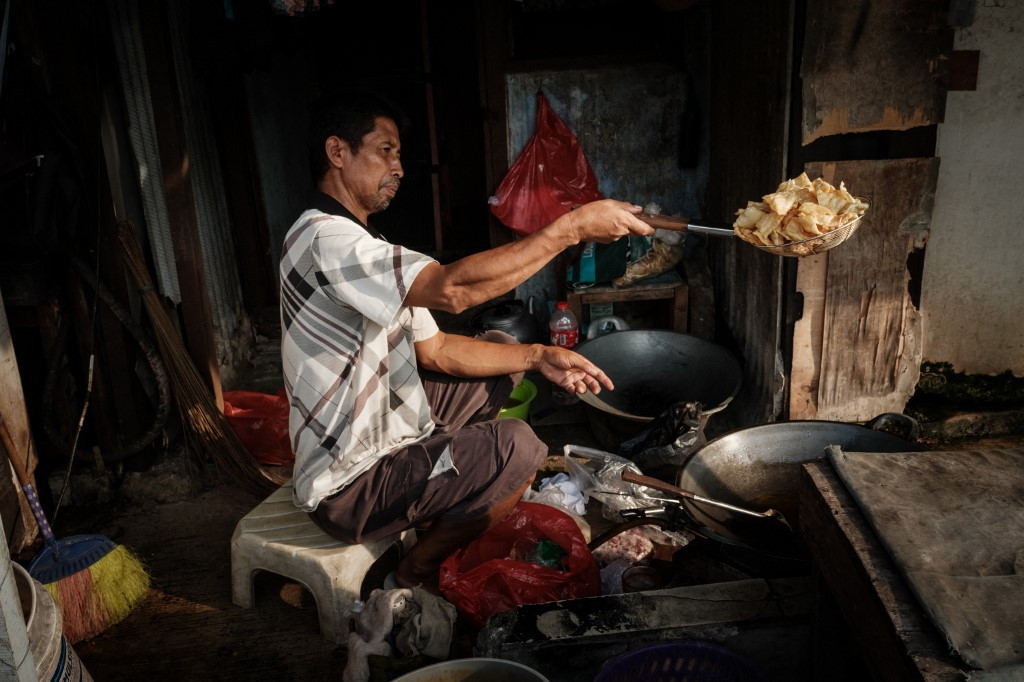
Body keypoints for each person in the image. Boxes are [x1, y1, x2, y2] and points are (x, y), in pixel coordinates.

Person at [280, 91, 653, 592]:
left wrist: (539, 354)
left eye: (397, 153)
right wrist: (570, 228)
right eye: (385, 151)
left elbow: (439, 351)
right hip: (348, 485)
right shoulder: (324, 239)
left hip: (388, 431)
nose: (399, 167)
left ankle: (445, 495)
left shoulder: (366, 249)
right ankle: (412, 574)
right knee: (518, 448)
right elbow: (453, 290)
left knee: (504, 354)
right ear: (337, 152)